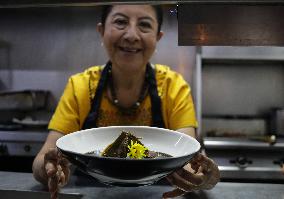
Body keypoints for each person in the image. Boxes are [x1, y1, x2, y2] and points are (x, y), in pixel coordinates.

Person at [32, 4, 220, 199]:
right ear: (101, 31)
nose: (131, 35)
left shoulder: (174, 87)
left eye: (144, 25)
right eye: (120, 22)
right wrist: (49, 169)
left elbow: (186, 152)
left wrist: (199, 174)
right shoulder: (80, 86)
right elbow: (44, 157)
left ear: (158, 37)